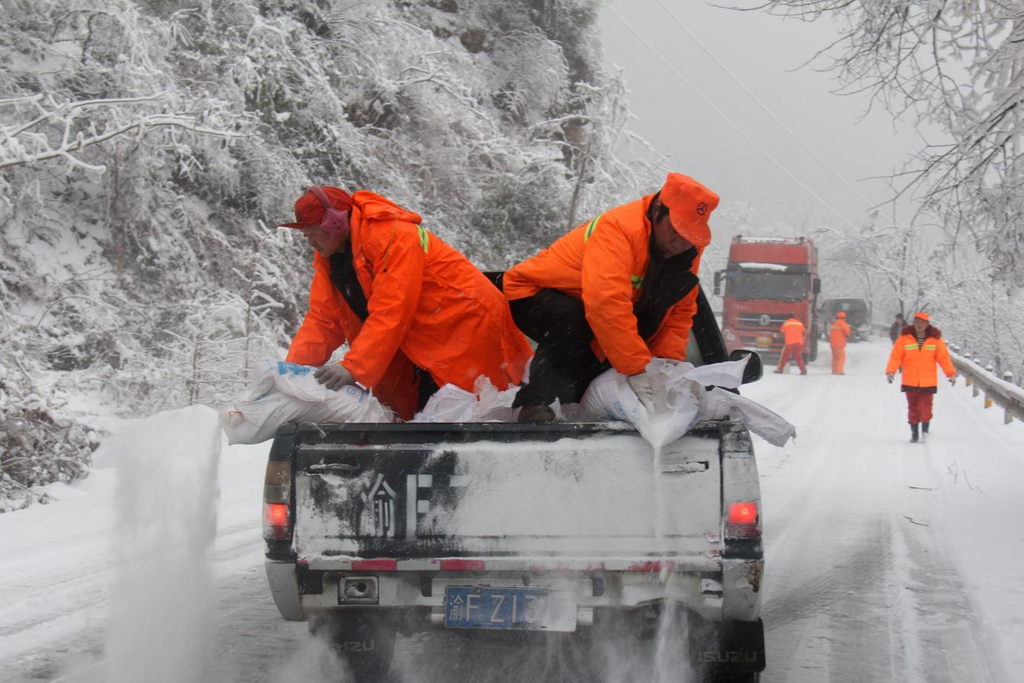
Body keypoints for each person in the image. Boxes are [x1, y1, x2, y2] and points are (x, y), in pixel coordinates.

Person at [280, 185, 533, 420]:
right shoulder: (330, 259)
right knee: (424, 424)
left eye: (311, 234)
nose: (310, 243)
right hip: (418, 341)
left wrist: (353, 367)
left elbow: (392, 309)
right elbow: (323, 321)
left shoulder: (391, 235)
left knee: (476, 416)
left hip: (463, 327)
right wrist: (286, 374)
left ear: (334, 223)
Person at [501, 173, 719, 422]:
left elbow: (678, 311)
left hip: (591, 306)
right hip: (535, 293)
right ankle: (533, 403)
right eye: (674, 230)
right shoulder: (619, 228)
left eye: (688, 235)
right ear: (658, 209)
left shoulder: (688, 248)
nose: (679, 242)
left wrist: (664, 367)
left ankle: (574, 404)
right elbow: (605, 304)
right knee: (576, 320)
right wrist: (636, 369)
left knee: (627, 336)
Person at [885, 312, 957, 442]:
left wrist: (950, 374)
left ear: (927, 324)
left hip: (928, 381)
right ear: (914, 323)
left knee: (926, 407)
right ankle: (914, 434)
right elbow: (896, 357)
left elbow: (944, 358)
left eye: (922, 323)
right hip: (910, 380)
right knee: (913, 408)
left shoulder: (935, 340)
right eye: (917, 322)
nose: (919, 325)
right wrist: (891, 371)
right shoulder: (904, 339)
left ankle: (925, 432)